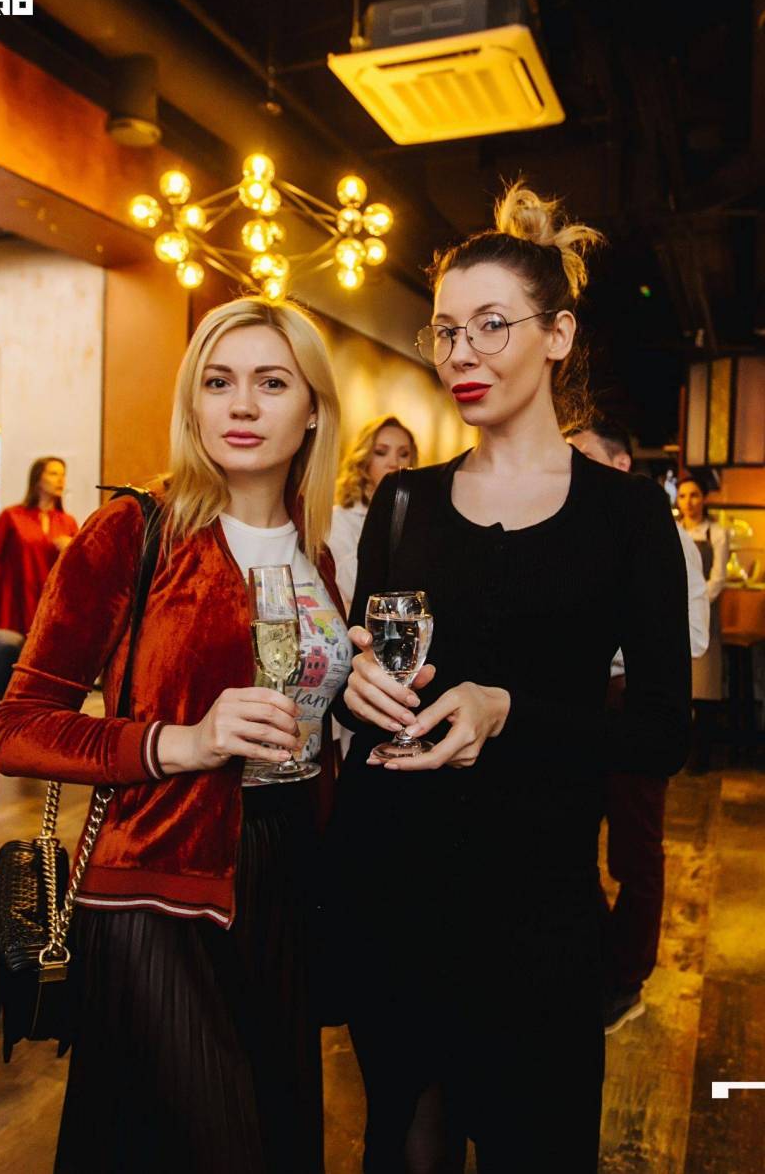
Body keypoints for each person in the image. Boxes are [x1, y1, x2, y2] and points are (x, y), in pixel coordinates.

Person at [327, 183, 691, 1172]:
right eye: (446, 331)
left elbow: (663, 733)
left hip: (540, 914)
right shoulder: (404, 505)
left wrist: (507, 712)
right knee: (405, 1138)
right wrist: (354, 692)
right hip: (402, 896)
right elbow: (373, 684)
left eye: (491, 325)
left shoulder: (625, 517)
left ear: (557, 336)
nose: (461, 353)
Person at [0, 297, 351, 1174]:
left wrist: (366, 694)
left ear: (313, 409)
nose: (241, 405)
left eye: (272, 383)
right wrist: (181, 742)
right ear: (192, 401)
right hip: (155, 881)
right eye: (218, 382)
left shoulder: (317, 554)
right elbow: (18, 728)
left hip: (285, 879)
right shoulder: (134, 530)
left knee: (276, 1135)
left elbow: (312, 726)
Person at [569, 419, 708, 1034]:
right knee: (568, 838)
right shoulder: (575, 531)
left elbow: (692, 637)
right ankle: (592, 960)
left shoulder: (665, 538)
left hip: (633, 703)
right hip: (574, 704)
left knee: (635, 851)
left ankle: (627, 981)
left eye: (582, 457)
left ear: (620, 464)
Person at [0, 456, 78, 637]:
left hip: (51, 604)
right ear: (38, 479)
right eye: (53, 474)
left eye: (63, 475)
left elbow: (80, 567)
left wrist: (72, 548)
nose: (61, 480)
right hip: (17, 601)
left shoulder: (67, 522)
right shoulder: (12, 516)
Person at [329, 415, 418, 611]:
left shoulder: (418, 518)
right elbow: (355, 586)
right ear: (363, 460)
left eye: (403, 454)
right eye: (381, 452)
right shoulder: (339, 519)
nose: (394, 463)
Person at [676, 474, 729, 706]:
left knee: (704, 682)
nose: (688, 502)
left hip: (706, 610)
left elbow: (718, 578)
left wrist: (695, 603)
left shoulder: (717, 533)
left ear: (704, 498)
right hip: (674, 610)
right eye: (682, 496)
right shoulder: (672, 530)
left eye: (694, 495)